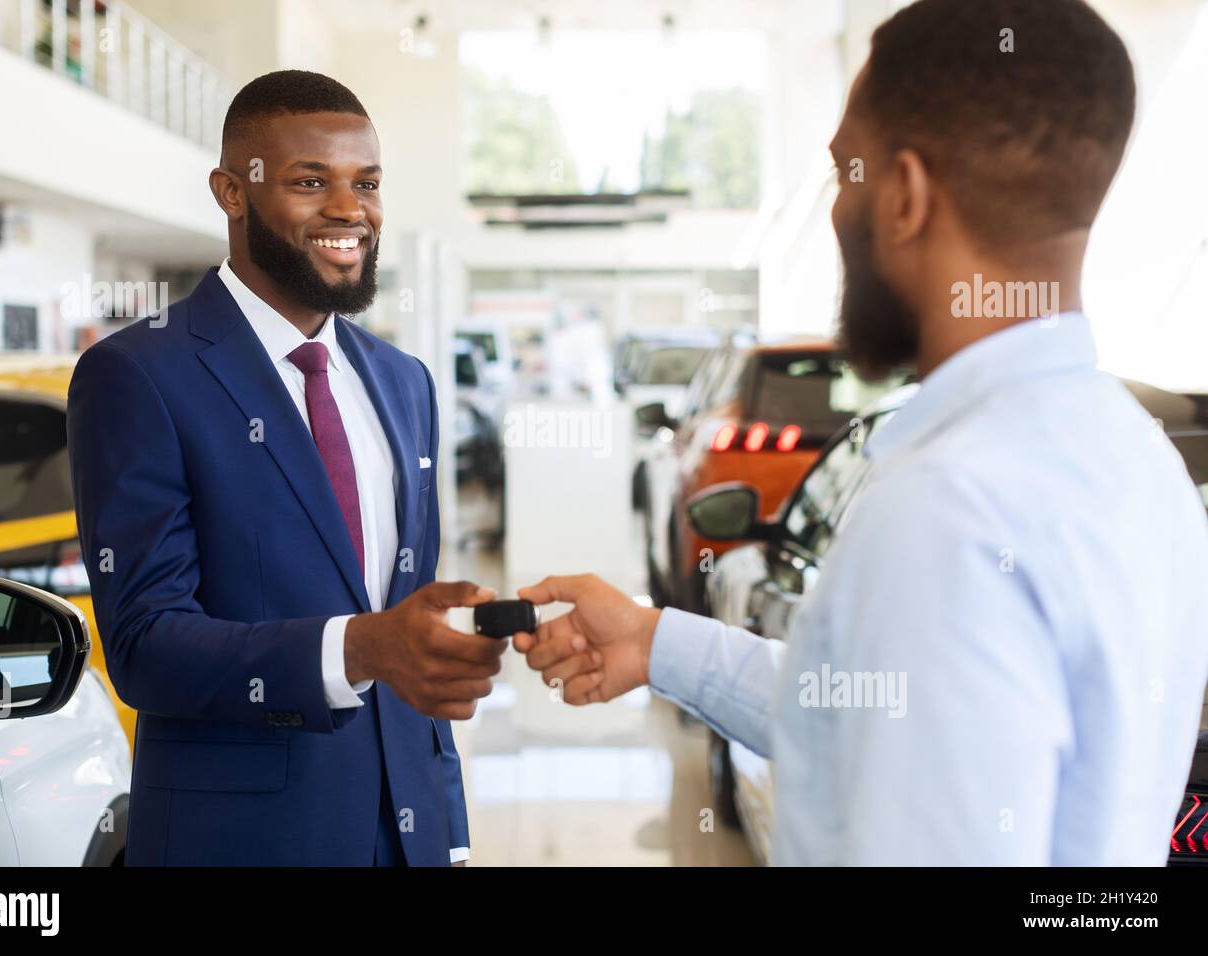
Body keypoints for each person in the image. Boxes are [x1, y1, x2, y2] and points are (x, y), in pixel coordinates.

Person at [514, 0, 1208, 865]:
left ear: (907, 196)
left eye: (847, 173)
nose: (838, 211)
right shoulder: (1140, 457)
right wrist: (657, 641)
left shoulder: (950, 509)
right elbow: (879, 712)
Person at [68, 71, 504, 866]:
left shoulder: (404, 382)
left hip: (409, 829)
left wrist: (448, 828)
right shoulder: (139, 374)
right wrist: (363, 649)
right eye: (312, 182)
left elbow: (400, 623)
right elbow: (144, 644)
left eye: (366, 183)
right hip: (245, 841)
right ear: (232, 192)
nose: (350, 210)